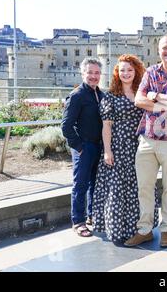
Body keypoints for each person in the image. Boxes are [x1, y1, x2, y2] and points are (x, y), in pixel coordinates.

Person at [124, 34, 167, 248]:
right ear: (159, 50)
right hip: (147, 138)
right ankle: (144, 229)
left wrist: (156, 98)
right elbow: (138, 100)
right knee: (144, 186)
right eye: (165, 47)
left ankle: (166, 229)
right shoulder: (150, 72)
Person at [92, 54, 159, 245]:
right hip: (119, 147)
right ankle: (119, 229)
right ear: (116, 73)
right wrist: (107, 151)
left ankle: (142, 228)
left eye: (129, 69)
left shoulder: (143, 93)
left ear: (136, 71)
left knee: (141, 186)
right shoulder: (111, 96)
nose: (126, 73)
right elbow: (107, 126)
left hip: (141, 145)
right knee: (118, 188)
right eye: (122, 70)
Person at [61, 57, 104, 237]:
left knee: (95, 183)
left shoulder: (101, 94)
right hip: (84, 147)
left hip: (98, 147)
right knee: (80, 185)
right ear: (83, 73)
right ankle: (78, 221)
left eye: (97, 73)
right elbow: (66, 126)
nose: (93, 76)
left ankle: (91, 216)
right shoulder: (77, 95)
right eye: (90, 73)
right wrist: (79, 148)